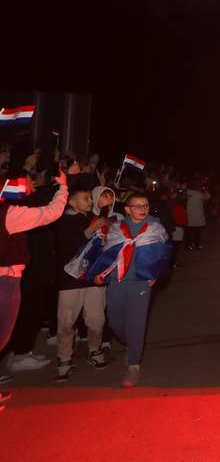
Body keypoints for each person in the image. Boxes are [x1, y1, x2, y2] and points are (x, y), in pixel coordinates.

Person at [85, 192, 171, 388]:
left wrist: (156, 274)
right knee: (115, 321)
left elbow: (165, 254)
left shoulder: (156, 229)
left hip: (141, 283)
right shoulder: (116, 228)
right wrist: (100, 273)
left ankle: (134, 365)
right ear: (127, 209)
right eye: (137, 206)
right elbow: (106, 252)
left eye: (145, 206)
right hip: (117, 282)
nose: (143, 210)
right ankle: (131, 343)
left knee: (137, 323)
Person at [0, 169, 67, 410]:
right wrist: (63, 188)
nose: (27, 187)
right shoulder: (8, 214)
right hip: (5, 280)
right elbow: (50, 213)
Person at [52, 188, 108, 381]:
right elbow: (66, 247)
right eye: (85, 199)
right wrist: (90, 230)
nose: (90, 201)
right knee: (66, 321)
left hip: (93, 277)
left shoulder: (94, 218)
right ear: (72, 202)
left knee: (96, 318)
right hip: (69, 279)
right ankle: (64, 358)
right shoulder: (62, 221)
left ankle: (95, 349)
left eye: (90, 198)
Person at [185, 180, 210, 251]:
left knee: (189, 232)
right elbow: (208, 197)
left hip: (189, 216)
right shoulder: (199, 194)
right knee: (197, 232)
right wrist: (205, 190)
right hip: (197, 218)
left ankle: (188, 245)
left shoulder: (186, 192)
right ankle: (197, 245)